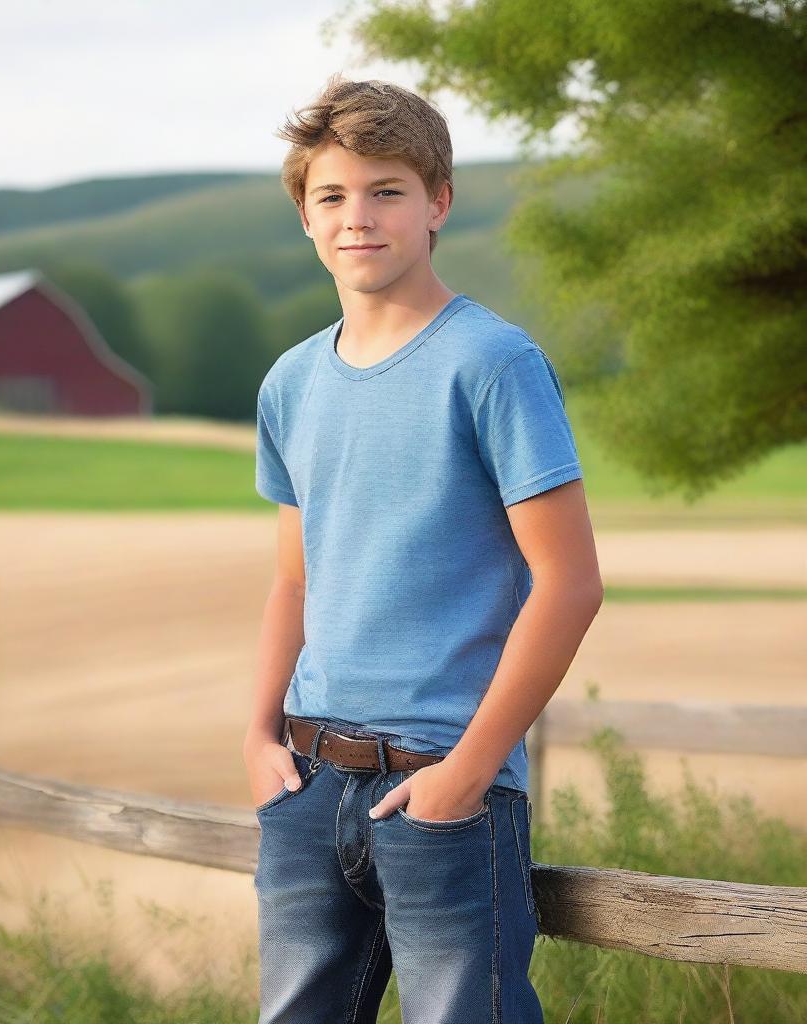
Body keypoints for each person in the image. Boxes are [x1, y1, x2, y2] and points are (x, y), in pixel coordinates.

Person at [243, 73, 603, 1024]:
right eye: (332, 196)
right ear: (306, 219)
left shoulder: (493, 363)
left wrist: (469, 772)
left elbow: (569, 584)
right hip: (309, 781)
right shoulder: (290, 382)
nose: (357, 216)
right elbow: (294, 580)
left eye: (386, 191)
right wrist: (257, 736)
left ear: (438, 202)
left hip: (442, 783)